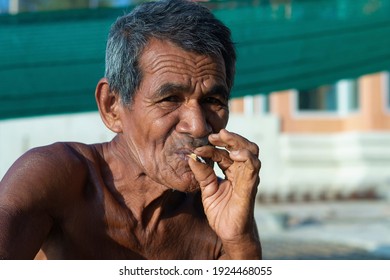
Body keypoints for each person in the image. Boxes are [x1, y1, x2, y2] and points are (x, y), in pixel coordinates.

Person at [0, 0, 262, 260]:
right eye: (170, 98)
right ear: (112, 107)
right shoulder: (56, 179)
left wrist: (240, 240)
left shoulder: (215, 215)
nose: (198, 126)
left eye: (213, 101)